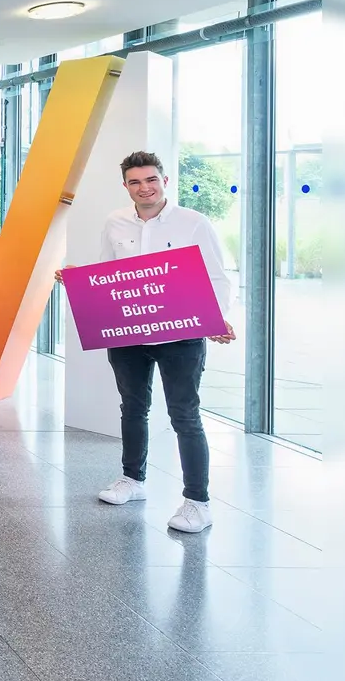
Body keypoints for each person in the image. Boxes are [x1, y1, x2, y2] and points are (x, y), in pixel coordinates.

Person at [56, 151, 235, 533]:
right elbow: (109, 272)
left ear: (165, 181)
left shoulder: (194, 223)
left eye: (151, 180)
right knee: (133, 408)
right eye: (135, 182)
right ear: (126, 187)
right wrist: (79, 277)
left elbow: (218, 277)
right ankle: (132, 479)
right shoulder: (115, 222)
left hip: (180, 335)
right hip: (128, 333)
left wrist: (216, 316)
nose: (144, 188)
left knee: (184, 415)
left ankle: (197, 502)